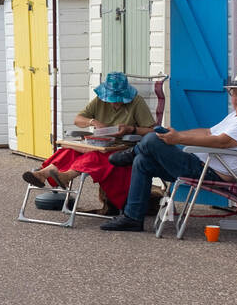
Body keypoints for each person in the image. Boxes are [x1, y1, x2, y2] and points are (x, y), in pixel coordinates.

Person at [101, 72, 237, 232]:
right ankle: (132, 218)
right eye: (235, 93)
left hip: (211, 172)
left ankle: (132, 153)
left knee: (152, 139)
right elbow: (208, 132)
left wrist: (178, 140)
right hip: (200, 165)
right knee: (143, 162)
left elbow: (222, 142)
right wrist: (176, 135)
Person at [21, 72, 156, 213]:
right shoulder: (100, 100)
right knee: (69, 151)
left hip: (123, 147)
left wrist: (131, 129)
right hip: (100, 143)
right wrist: (93, 122)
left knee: (94, 156)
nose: (115, 102)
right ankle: (43, 174)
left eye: (118, 99)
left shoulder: (137, 102)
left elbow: (152, 131)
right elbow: (78, 119)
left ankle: (67, 175)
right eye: (111, 99)